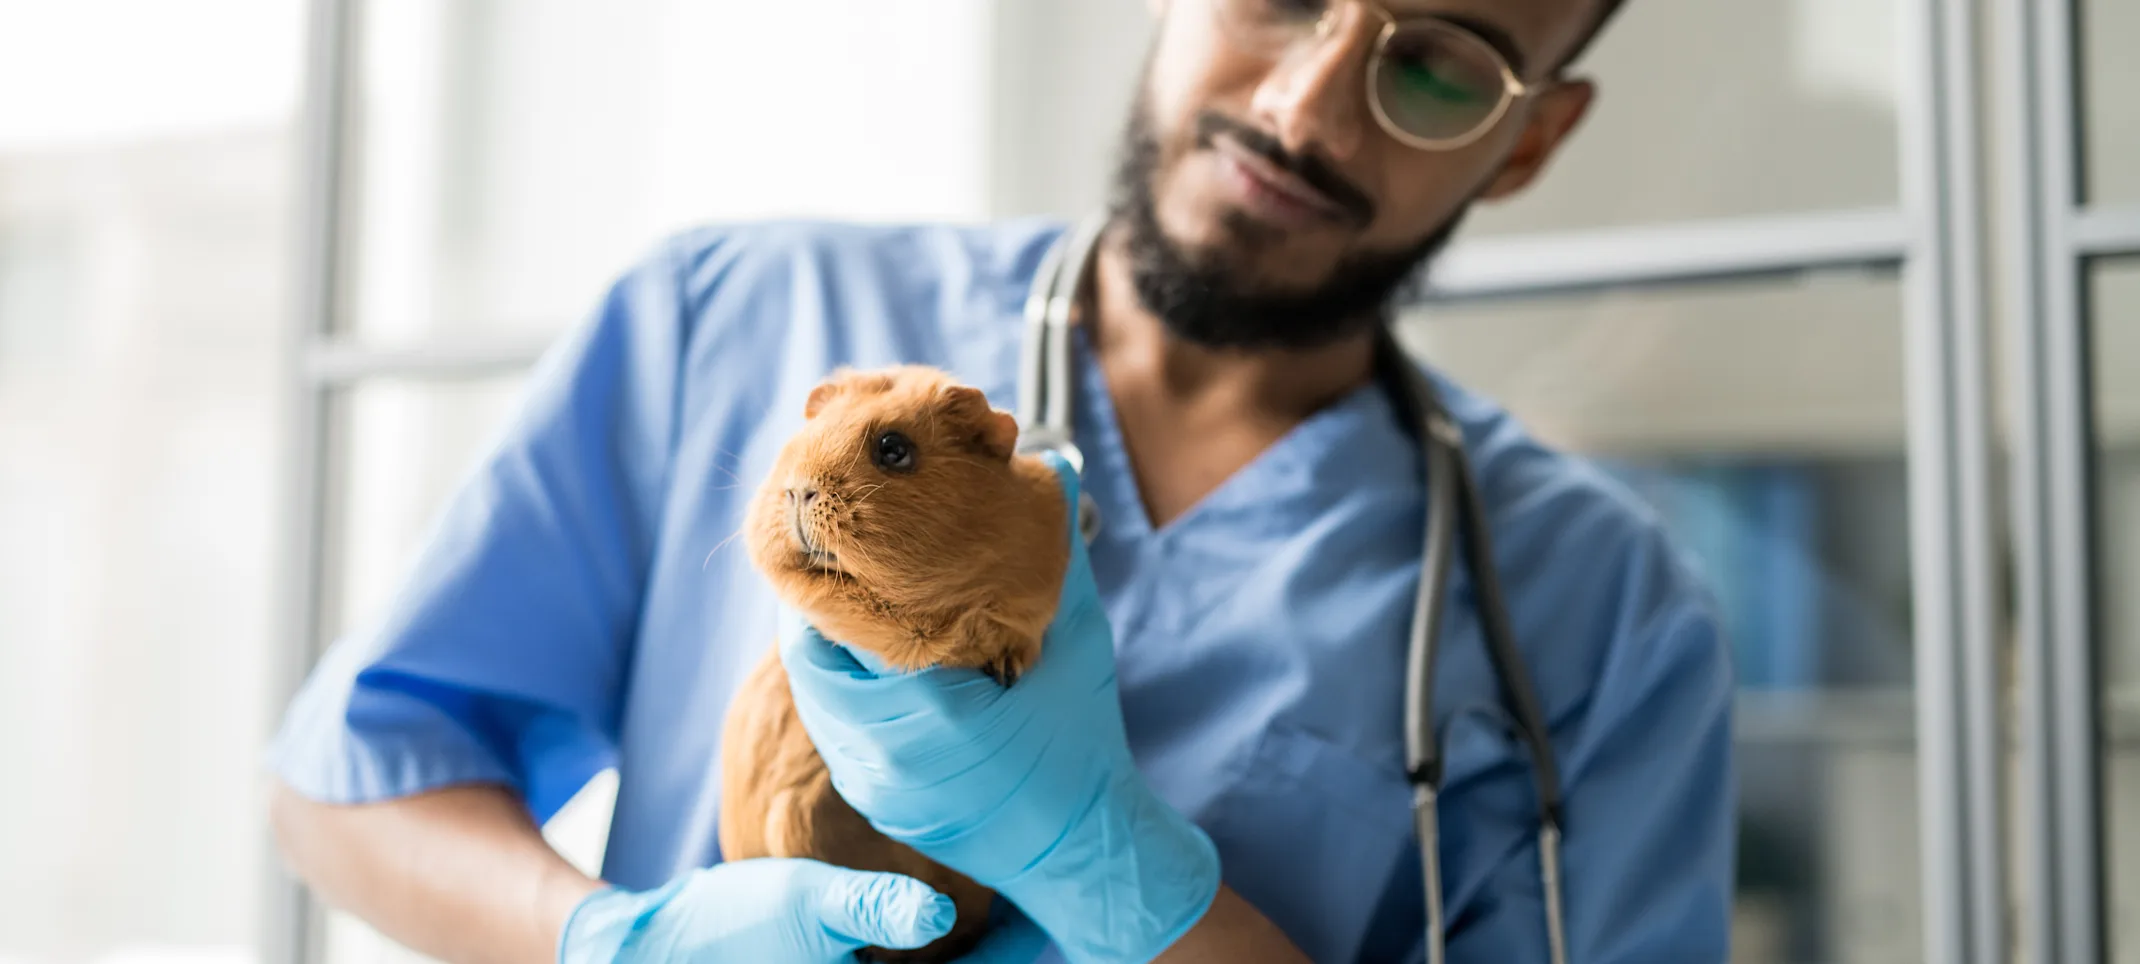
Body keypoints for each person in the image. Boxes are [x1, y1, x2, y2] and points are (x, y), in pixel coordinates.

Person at [266, 0, 1737, 961]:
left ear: (1531, 135)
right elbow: (348, 785)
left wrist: (1119, 879)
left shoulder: (1599, 613)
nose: (1304, 109)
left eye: (1435, 65)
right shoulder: (731, 315)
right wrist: (612, 943)